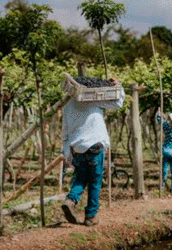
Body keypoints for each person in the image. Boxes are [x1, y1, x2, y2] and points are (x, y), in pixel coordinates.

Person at [61, 77, 125, 226]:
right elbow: (118, 103)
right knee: (95, 181)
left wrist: (67, 152)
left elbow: (65, 132)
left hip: (77, 148)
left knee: (80, 178)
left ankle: (71, 200)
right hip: (95, 147)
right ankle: (90, 216)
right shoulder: (93, 100)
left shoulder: (68, 106)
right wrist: (117, 85)